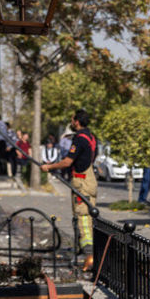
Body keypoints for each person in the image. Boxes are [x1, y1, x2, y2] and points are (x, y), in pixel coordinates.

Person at [41, 109, 98, 271]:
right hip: (89, 179)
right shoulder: (92, 137)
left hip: (82, 181)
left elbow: (67, 161)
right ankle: (82, 251)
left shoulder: (79, 139)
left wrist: (49, 167)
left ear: (77, 122)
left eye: (72, 120)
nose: (71, 123)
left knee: (83, 216)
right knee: (83, 215)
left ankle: (89, 255)